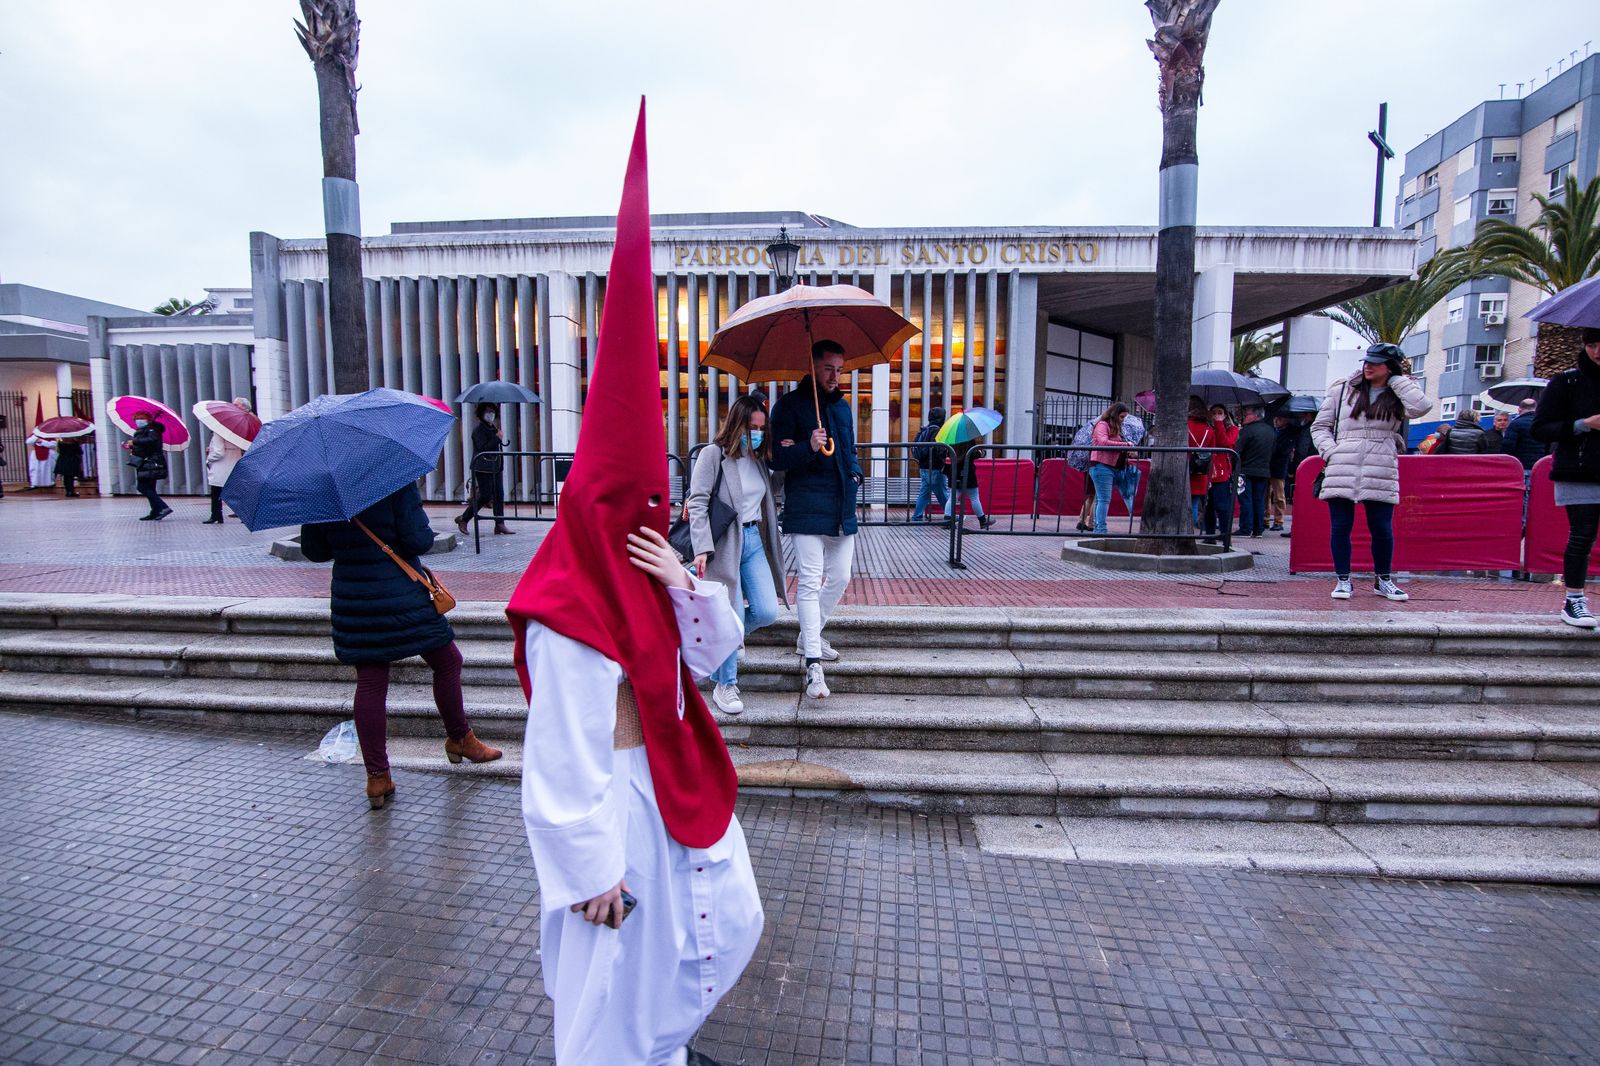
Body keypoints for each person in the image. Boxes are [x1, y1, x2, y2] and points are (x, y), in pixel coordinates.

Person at [508, 115, 763, 1063]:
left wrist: (685, 582)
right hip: (614, 804)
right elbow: (560, 743)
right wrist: (587, 871)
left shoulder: (638, 565)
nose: (651, 514)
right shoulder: (571, 604)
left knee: (709, 926)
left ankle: (664, 1049)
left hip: (664, 776)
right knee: (613, 977)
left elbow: (713, 652)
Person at [301, 482, 502, 807]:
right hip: (400, 594)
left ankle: (377, 776)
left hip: (353, 600)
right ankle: (460, 738)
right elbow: (417, 540)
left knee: (370, 681)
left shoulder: (323, 490)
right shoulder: (393, 480)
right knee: (447, 661)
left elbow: (315, 550)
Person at [770, 339, 863, 701]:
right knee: (809, 581)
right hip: (805, 504)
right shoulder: (789, 406)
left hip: (841, 504)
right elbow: (777, 458)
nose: (835, 376)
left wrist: (855, 473)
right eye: (828, 369)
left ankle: (808, 635)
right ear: (812, 367)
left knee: (841, 576)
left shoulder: (841, 407)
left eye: (839, 370)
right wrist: (807, 446)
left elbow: (849, 449)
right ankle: (813, 662)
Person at [1311, 342, 1433, 602]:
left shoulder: (1399, 391)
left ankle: (1384, 580)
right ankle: (1343, 579)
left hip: (1381, 464)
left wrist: (1397, 380)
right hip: (1343, 464)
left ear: (1390, 367)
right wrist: (1331, 452)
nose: (1369, 366)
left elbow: (1421, 407)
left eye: (1377, 363)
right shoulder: (1342, 389)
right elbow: (1319, 426)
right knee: (1341, 526)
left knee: (1381, 527)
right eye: (1367, 361)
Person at [688, 392, 784, 716]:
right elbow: (698, 502)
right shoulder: (713, 455)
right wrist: (702, 547)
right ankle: (725, 684)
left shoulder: (759, 459)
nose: (756, 434)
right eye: (750, 427)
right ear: (736, 424)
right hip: (723, 544)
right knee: (732, 616)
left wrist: (787, 462)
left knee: (766, 611)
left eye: (760, 428)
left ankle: (725, 643)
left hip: (753, 539)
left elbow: (769, 492)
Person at [1532, 327, 1600, 628]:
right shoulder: (1567, 381)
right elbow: (1540, 428)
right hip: (1579, 470)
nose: (1597, 351)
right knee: (1582, 535)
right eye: (1592, 345)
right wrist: (1583, 424)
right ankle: (1574, 600)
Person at [455, 405, 515, 536]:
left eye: (493, 412)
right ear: (481, 414)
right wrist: (497, 438)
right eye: (488, 412)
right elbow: (483, 448)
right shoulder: (478, 430)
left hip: (495, 467)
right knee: (485, 495)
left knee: (499, 495)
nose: (490, 414)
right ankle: (464, 518)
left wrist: (498, 437)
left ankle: (499, 524)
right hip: (483, 468)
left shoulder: (493, 428)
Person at [1086, 402, 1139, 535]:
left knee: (1101, 499)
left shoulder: (1116, 428)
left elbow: (1114, 446)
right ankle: (1100, 529)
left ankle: (1098, 528)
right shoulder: (1102, 425)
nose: (1123, 420)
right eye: (1121, 416)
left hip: (1109, 466)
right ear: (1114, 414)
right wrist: (1126, 445)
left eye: (1125, 417)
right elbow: (1103, 442)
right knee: (1103, 499)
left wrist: (1127, 450)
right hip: (1101, 465)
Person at [203, 398, 251, 524]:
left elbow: (219, 452)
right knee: (237, 490)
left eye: (236, 405)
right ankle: (245, 514)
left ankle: (216, 515)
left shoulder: (220, 431)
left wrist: (209, 458)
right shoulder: (241, 429)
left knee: (216, 491)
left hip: (221, 465)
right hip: (234, 461)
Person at [1233, 405, 1275, 538]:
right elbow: (1274, 450)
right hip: (1263, 470)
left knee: (1245, 499)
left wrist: (1234, 467)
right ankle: (1258, 529)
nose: (1245, 417)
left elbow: (1237, 451)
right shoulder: (1270, 431)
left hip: (1245, 470)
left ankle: (1246, 528)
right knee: (1259, 500)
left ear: (1255, 415)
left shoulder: (1247, 431)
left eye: (1247, 414)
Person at [1200, 404, 1238, 542]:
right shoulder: (1207, 428)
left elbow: (1224, 442)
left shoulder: (1232, 429)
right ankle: (1210, 535)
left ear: (1225, 415)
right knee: (1207, 505)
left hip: (1221, 472)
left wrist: (1219, 424)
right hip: (1207, 470)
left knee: (1222, 506)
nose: (1217, 415)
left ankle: (1225, 534)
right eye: (1214, 412)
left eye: (1220, 412)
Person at [123, 412, 171, 520]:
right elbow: (145, 447)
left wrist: (135, 441)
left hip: (150, 462)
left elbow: (152, 441)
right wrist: (132, 447)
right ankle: (155, 511)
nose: (139, 421)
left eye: (141, 418)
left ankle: (163, 507)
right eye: (137, 418)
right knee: (150, 488)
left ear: (148, 420)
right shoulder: (145, 430)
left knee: (142, 487)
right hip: (146, 462)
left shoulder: (152, 430)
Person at [942, 437, 997, 530]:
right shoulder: (969, 440)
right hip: (968, 473)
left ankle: (947, 521)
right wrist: (980, 453)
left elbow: (947, 454)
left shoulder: (952, 440)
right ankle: (982, 520)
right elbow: (974, 455)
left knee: (952, 498)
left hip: (954, 472)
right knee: (974, 497)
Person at [910, 407, 949, 522]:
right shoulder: (937, 431)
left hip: (923, 467)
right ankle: (950, 515)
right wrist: (946, 453)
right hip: (935, 467)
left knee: (924, 493)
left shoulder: (924, 429)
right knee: (942, 493)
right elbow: (938, 449)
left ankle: (917, 516)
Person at [1268, 414, 1295, 531]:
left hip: (1279, 466)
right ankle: (1265, 518)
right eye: (1276, 418)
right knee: (1266, 495)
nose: (1277, 420)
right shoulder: (1272, 431)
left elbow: (1284, 450)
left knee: (1279, 495)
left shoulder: (1289, 434)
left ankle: (1279, 520)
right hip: (1267, 465)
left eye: (1280, 418)